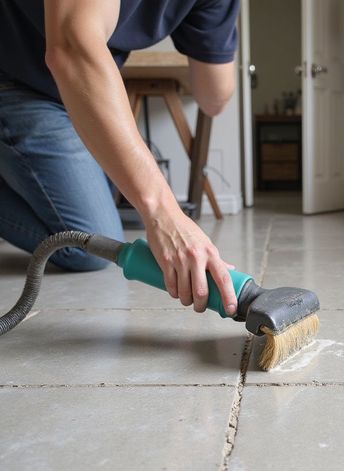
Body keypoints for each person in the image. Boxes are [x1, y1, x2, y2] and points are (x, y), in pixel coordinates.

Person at [0, 0, 240, 317]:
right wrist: (164, 212)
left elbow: (214, 97)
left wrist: (215, 31)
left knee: (97, 237)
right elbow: (71, 48)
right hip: (15, 79)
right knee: (86, 246)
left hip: (59, 94)